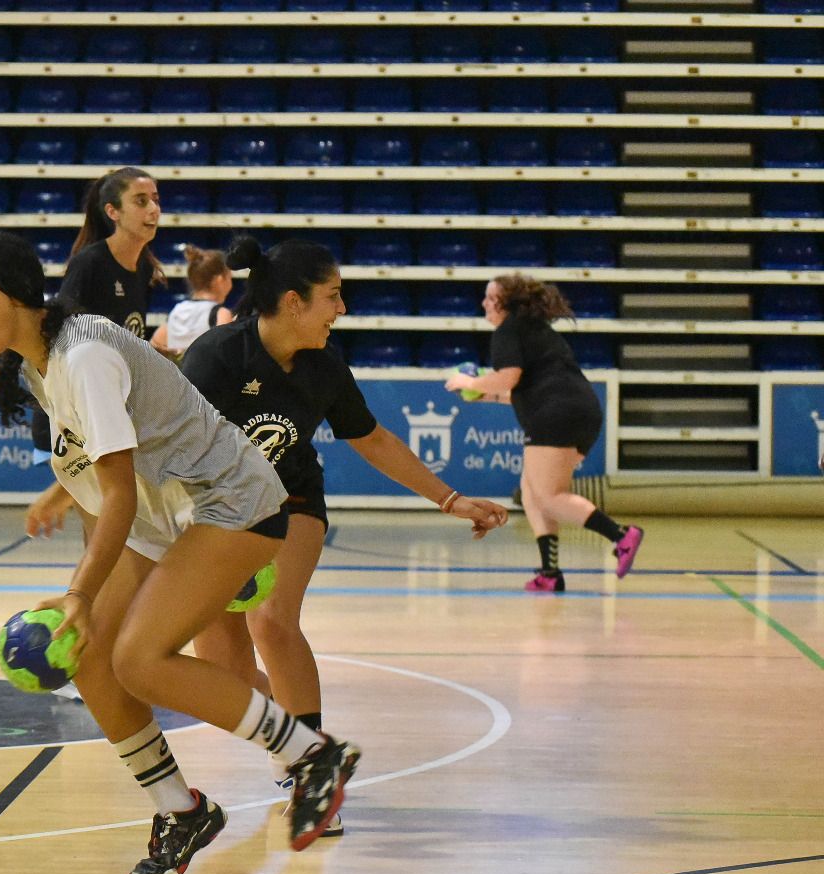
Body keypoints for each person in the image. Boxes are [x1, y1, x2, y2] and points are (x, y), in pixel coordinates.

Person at [0, 230, 363, 874]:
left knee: (141, 661)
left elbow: (115, 492)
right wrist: (86, 596)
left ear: (20, 293)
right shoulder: (40, 366)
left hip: (231, 500)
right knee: (89, 656)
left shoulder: (81, 356)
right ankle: (180, 810)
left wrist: (81, 594)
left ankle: (313, 755)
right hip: (163, 520)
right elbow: (98, 496)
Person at [182, 237, 509, 830]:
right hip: (211, 513)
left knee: (274, 620)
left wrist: (451, 499)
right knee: (224, 677)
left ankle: (313, 778)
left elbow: (373, 439)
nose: (343, 309)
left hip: (293, 497)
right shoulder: (217, 357)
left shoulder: (324, 365)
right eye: (332, 297)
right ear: (292, 301)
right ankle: (305, 750)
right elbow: (172, 451)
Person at [446, 274, 643, 593]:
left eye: (489, 297)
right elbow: (523, 389)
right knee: (532, 492)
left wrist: (470, 383)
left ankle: (622, 536)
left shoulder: (508, 330)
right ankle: (550, 573)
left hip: (556, 413)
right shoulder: (535, 331)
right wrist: (487, 394)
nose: (484, 303)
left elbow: (508, 377)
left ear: (504, 302)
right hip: (578, 411)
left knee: (549, 496)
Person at [27, 167, 166, 540]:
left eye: (155, 199)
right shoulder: (90, 264)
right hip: (74, 414)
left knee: (120, 530)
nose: (153, 208)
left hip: (108, 412)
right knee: (111, 528)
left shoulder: (143, 269)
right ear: (113, 212)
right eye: (141, 201)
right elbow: (59, 342)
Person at [151, 244, 235, 359]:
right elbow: (227, 356)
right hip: (204, 375)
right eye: (230, 277)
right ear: (219, 280)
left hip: (176, 375)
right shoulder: (221, 314)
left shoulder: (177, 310)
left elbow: (154, 345)